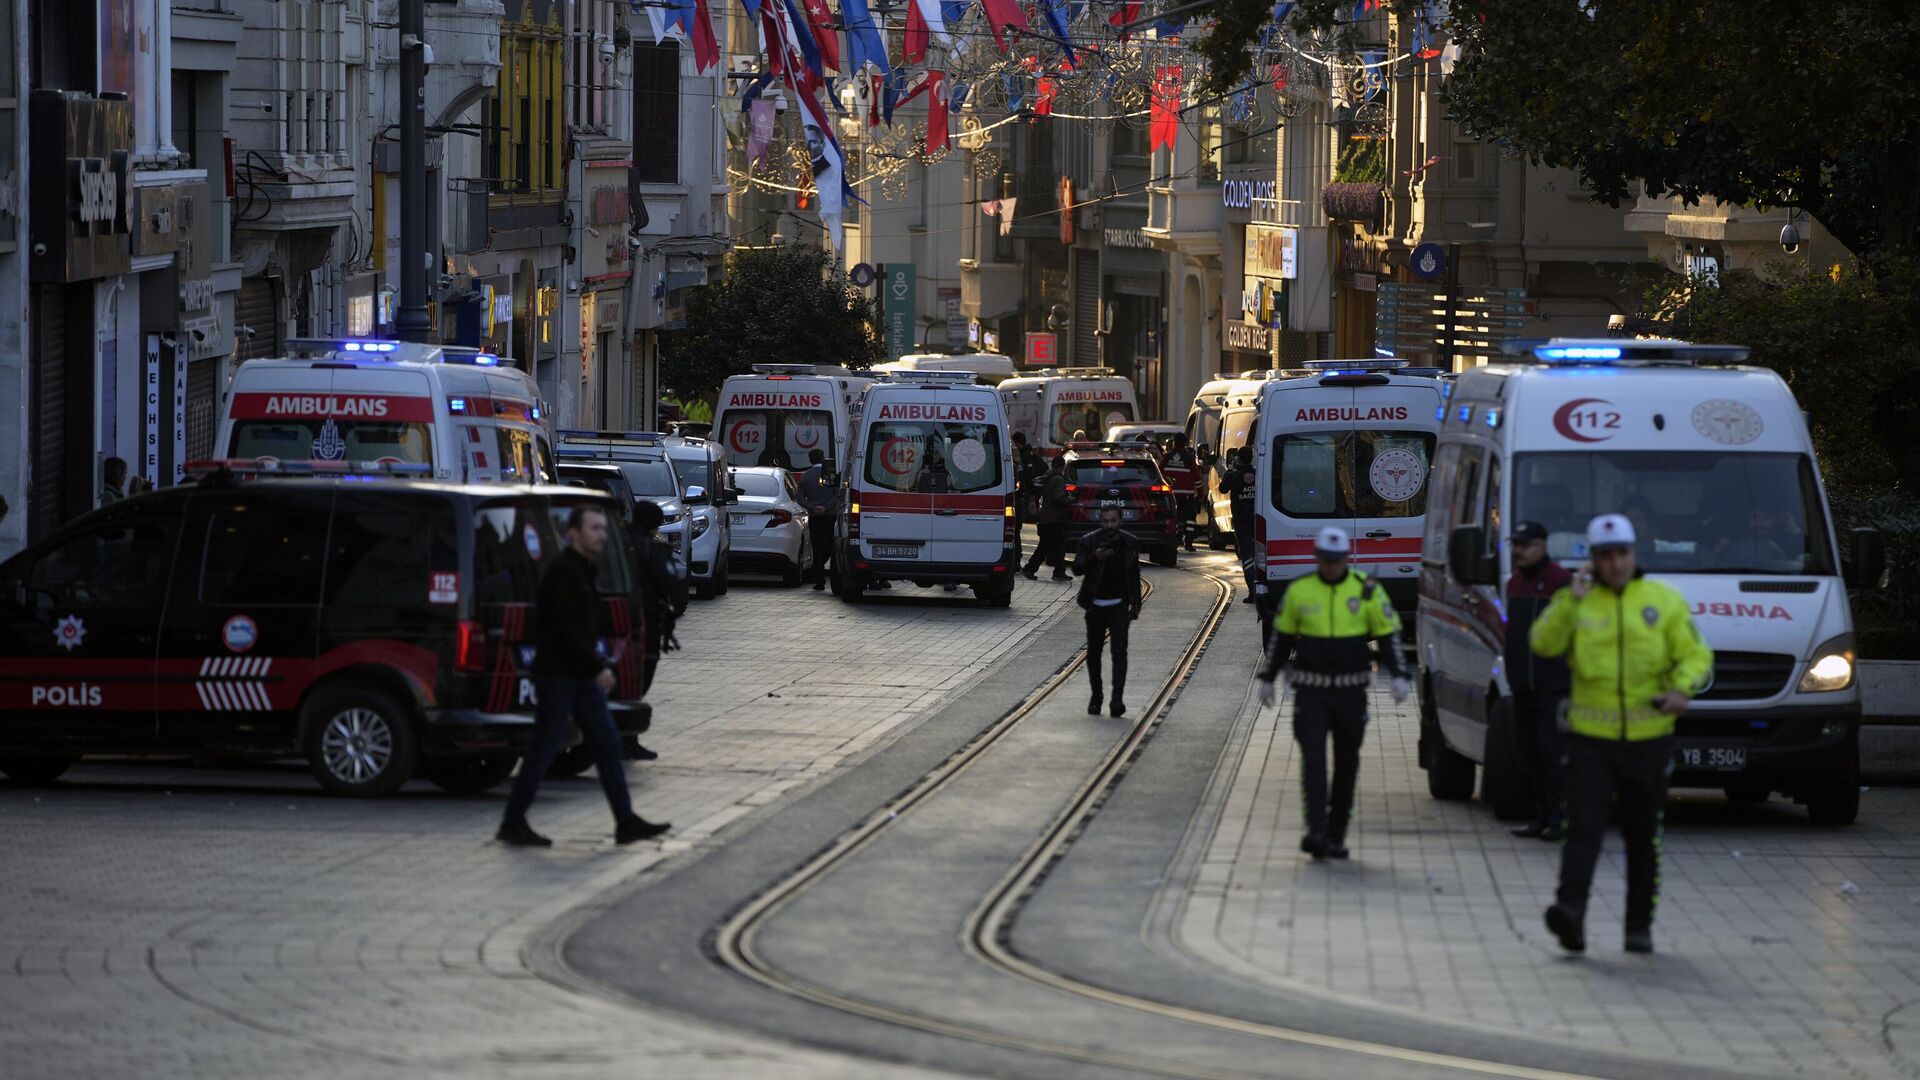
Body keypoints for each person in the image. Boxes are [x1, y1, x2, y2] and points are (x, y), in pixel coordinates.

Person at [1532, 513, 1712, 955]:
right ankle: (1570, 915)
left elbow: (1696, 655)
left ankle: (1638, 927)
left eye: (1622, 555)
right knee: (1584, 830)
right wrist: (1570, 601)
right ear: (1592, 560)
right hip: (1590, 740)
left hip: (1648, 741)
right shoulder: (1576, 601)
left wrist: (1681, 689)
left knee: (1642, 835)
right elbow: (1542, 643)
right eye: (1606, 556)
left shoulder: (1663, 601)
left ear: (1634, 555)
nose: (1615, 564)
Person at [498, 504, 670, 847]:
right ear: (573, 533)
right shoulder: (564, 572)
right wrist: (597, 668)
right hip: (560, 677)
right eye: (594, 528)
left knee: (606, 746)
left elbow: (586, 623)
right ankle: (513, 823)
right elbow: (564, 629)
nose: (601, 535)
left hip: (579, 679)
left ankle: (625, 821)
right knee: (544, 749)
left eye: (603, 529)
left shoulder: (585, 569)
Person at [1255, 526, 1409, 861]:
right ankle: (1316, 830)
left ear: (1346, 559)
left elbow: (1388, 633)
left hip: (1351, 693)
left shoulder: (1366, 589)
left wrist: (1399, 674)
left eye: (1337, 561)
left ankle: (1336, 833)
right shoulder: (1300, 591)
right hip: (1311, 692)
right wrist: (1268, 676)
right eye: (1326, 560)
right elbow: (1282, 638)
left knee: (1346, 765)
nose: (1331, 567)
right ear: (1318, 558)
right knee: (1313, 762)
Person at [1505, 521, 1572, 841]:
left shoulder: (1560, 581)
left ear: (1543, 546)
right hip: (1523, 685)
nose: (1519, 550)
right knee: (1526, 752)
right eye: (1516, 544)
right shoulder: (1515, 583)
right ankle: (1539, 815)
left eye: (1526, 544)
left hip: (1553, 685)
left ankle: (1558, 817)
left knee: (1551, 753)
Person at [628, 498, 685, 762]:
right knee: (639, 680)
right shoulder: (653, 550)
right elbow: (672, 587)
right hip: (645, 625)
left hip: (613, 622)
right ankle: (627, 738)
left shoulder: (616, 543)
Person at [1073, 505, 1141, 717]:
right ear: (1100, 522)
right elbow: (1076, 569)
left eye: (1113, 521)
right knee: (1094, 653)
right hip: (1095, 606)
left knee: (1119, 652)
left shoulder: (1129, 543)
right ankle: (1097, 696)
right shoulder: (1089, 541)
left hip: (1119, 606)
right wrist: (1096, 557)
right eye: (1105, 521)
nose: (1109, 526)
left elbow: (1134, 574)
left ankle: (1117, 699)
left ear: (1120, 521)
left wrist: (1136, 603)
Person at [1221, 447, 1261, 608]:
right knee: (1259, 554)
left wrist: (1228, 472)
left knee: (1247, 557)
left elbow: (1222, 489)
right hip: (1258, 519)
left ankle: (1252, 592)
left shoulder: (1233, 475)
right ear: (1251, 457)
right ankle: (1261, 590)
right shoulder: (1258, 473)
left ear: (1239, 458)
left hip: (1241, 521)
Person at [1022, 455, 1072, 581]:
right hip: (1054, 519)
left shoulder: (1047, 477)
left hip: (1045, 518)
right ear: (1062, 466)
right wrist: (1070, 499)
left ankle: (1059, 571)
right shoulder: (1058, 479)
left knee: (1056, 546)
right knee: (1048, 547)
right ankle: (1030, 569)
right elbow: (1058, 497)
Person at [796, 448, 841, 591]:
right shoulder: (830, 475)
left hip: (815, 517)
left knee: (817, 546)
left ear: (810, 460)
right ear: (823, 458)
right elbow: (837, 495)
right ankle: (822, 568)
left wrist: (813, 507)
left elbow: (800, 499)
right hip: (830, 515)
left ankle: (819, 577)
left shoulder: (805, 477)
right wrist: (826, 507)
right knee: (830, 545)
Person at [1160, 434, 1200, 553]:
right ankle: (1188, 543)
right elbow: (1196, 477)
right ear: (1185, 443)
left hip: (1172, 494)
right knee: (1190, 519)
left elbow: (1159, 472)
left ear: (1174, 443)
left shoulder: (1167, 457)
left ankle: (1176, 540)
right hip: (1187, 494)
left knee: (1176, 518)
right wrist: (1201, 494)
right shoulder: (1188, 458)